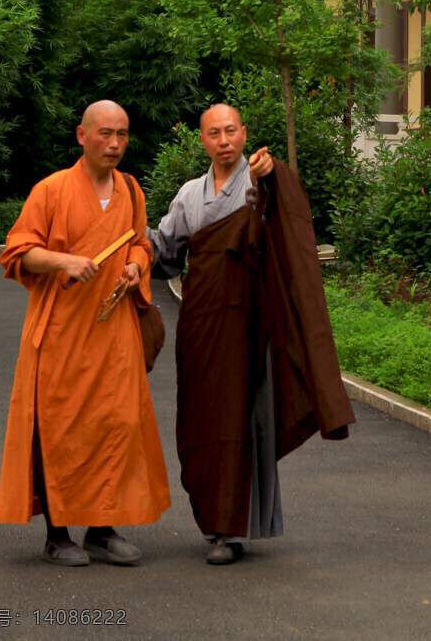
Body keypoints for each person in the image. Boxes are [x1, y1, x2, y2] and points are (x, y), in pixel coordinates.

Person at [149, 103, 354, 566]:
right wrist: (126, 239)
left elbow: (285, 218)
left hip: (248, 321)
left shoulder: (259, 180)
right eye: (213, 133)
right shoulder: (188, 194)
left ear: (244, 134)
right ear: (202, 140)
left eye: (231, 132)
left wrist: (272, 174)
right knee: (200, 421)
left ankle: (233, 528)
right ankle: (212, 517)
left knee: (241, 422)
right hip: (201, 324)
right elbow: (164, 253)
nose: (224, 141)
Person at [0, 100, 170, 566]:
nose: (115, 144)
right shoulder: (51, 190)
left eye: (123, 135)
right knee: (62, 428)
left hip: (114, 331)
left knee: (117, 425)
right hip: (62, 332)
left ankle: (102, 528)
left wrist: (135, 265)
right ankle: (57, 534)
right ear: (82, 135)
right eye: (105, 134)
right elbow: (17, 252)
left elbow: (140, 241)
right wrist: (62, 260)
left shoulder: (131, 190)